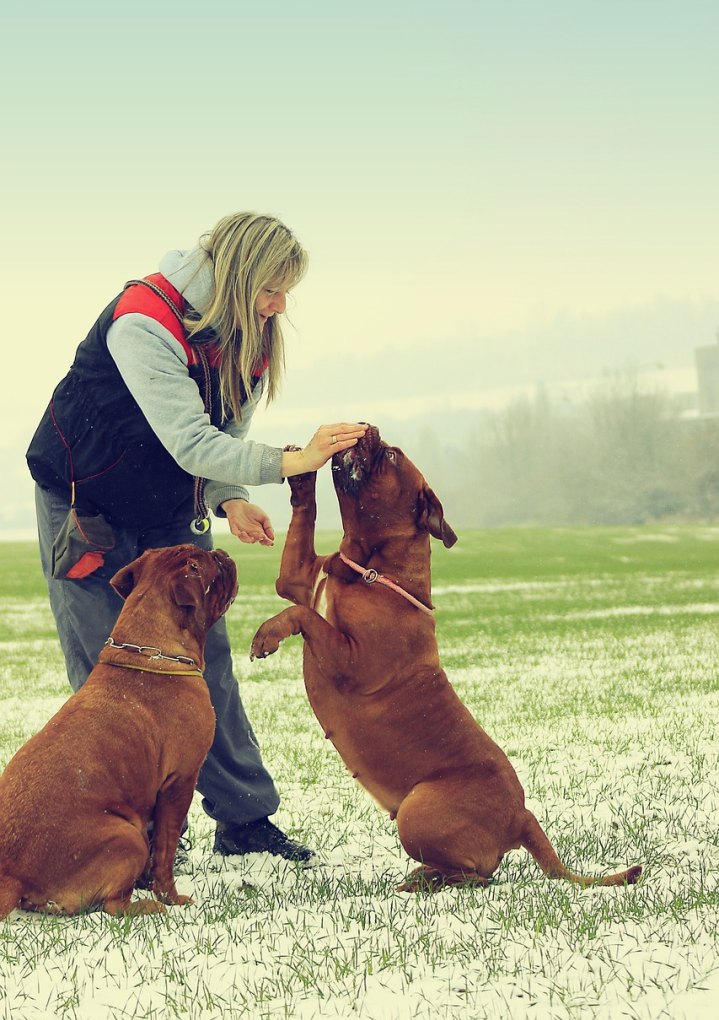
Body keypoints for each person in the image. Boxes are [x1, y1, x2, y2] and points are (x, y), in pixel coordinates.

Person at [26, 212, 366, 863]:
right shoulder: (142, 322)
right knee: (110, 668)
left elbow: (219, 442)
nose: (280, 304)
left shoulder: (250, 338)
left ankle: (243, 821)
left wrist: (229, 496)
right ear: (238, 276)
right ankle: (138, 827)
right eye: (272, 287)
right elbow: (186, 437)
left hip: (166, 507)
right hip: (84, 505)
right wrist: (293, 461)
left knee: (205, 659)